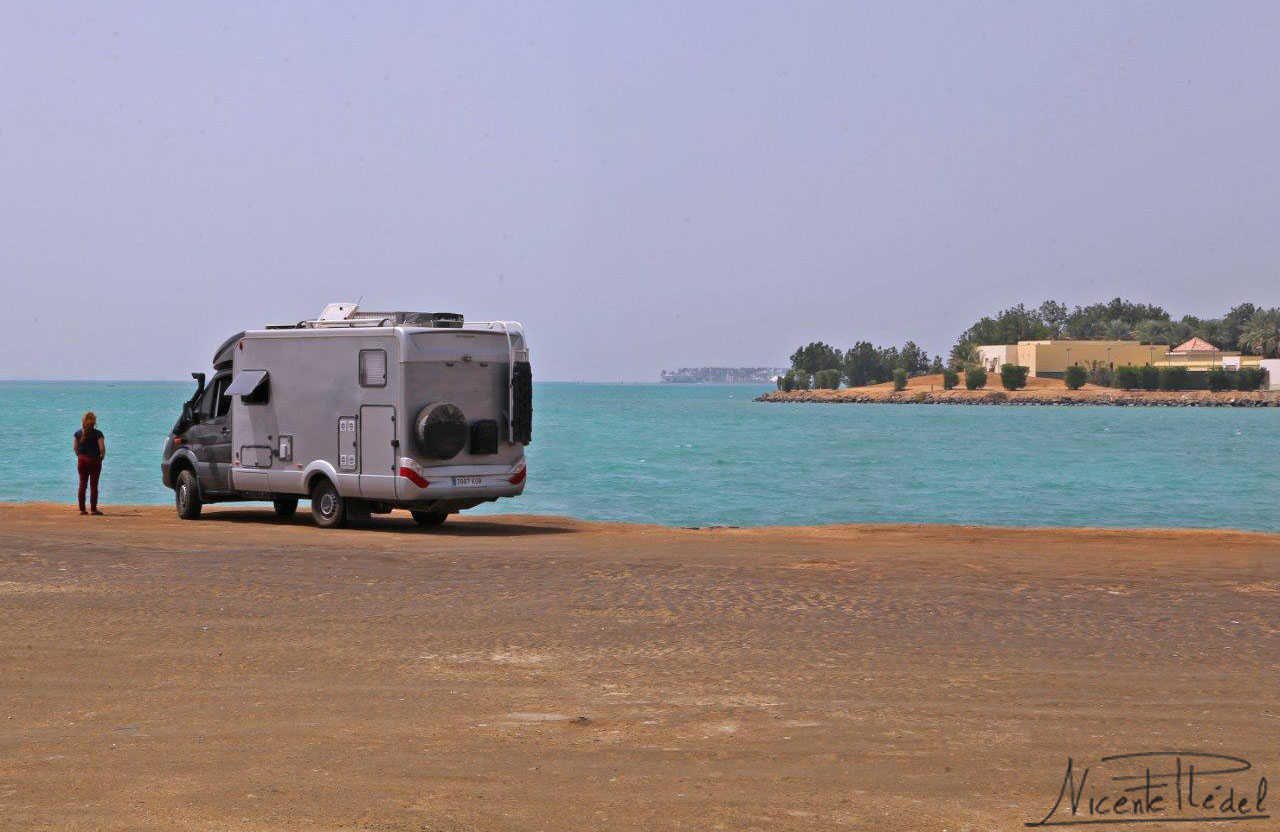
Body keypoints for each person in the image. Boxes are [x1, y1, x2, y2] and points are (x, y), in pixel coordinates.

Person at [74, 411, 106, 515]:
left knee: (82, 484)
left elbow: (75, 448)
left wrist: (80, 456)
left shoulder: (78, 433)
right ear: (94, 422)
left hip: (82, 460)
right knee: (94, 485)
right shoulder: (98, 434)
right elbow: (102, 448)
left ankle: (82, 510)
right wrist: (102, 457)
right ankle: (93, 509)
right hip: (95, 460)